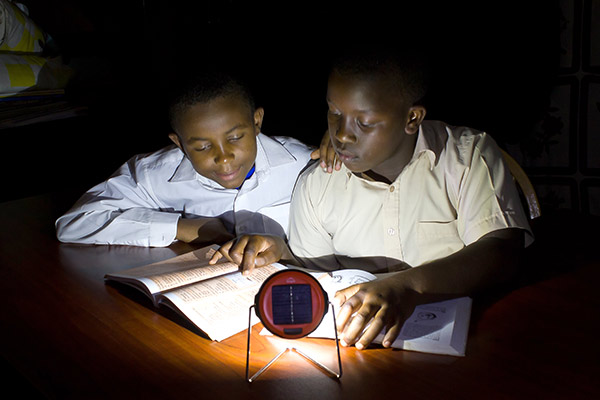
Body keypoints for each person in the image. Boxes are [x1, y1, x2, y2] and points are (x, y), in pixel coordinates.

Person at [210, 47, 534, 350]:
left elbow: (503, 251)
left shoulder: (466, 157)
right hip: (365, 353)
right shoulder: (318, 183)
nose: (341, 134)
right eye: (333, 113)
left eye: (363, 123)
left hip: (478, 339)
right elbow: (319, 275)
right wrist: (285, 253)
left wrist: (407, 287)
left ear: (412, 119)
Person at [55, 71, 315, 247]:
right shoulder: (155, 175)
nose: (224, 159)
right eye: (202, 147)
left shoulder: (303, 164)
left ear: (256, 121)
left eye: (235, 137)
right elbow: (74, 223)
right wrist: (183, 227)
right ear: (179, 143)